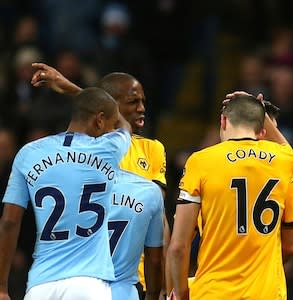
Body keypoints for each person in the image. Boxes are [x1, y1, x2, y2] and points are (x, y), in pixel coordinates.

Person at [30, 63, 168, 298]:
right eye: (133, 102)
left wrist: (164, 286)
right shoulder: (85, 148)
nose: (142, 108)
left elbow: (157, 219)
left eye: (143, 101)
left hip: (132, 279)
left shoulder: (152, 149)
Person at [0, 87, 131, 300]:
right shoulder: (109, 148)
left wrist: (2, 287)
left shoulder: (29, 153)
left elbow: (9, 222)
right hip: (90, 284)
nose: (111, 129)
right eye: (109, 123)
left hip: (42, 285)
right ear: (99, 120)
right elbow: (125, 123)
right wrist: (71, 88)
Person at [167, 93, 293, 300]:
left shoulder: (201, 162)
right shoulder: (285, 162)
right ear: (262, 130)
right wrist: (258, 109)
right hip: (266, 293)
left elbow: (178, 247)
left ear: (223, 120)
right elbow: (289, 247)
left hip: (213, 293)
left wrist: (182, 295)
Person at [109, 170, 164, 300]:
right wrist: (152, 295)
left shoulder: (63, 186)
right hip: (123, 292)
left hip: (75, 288)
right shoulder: (147, 190)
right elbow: (155, 259)